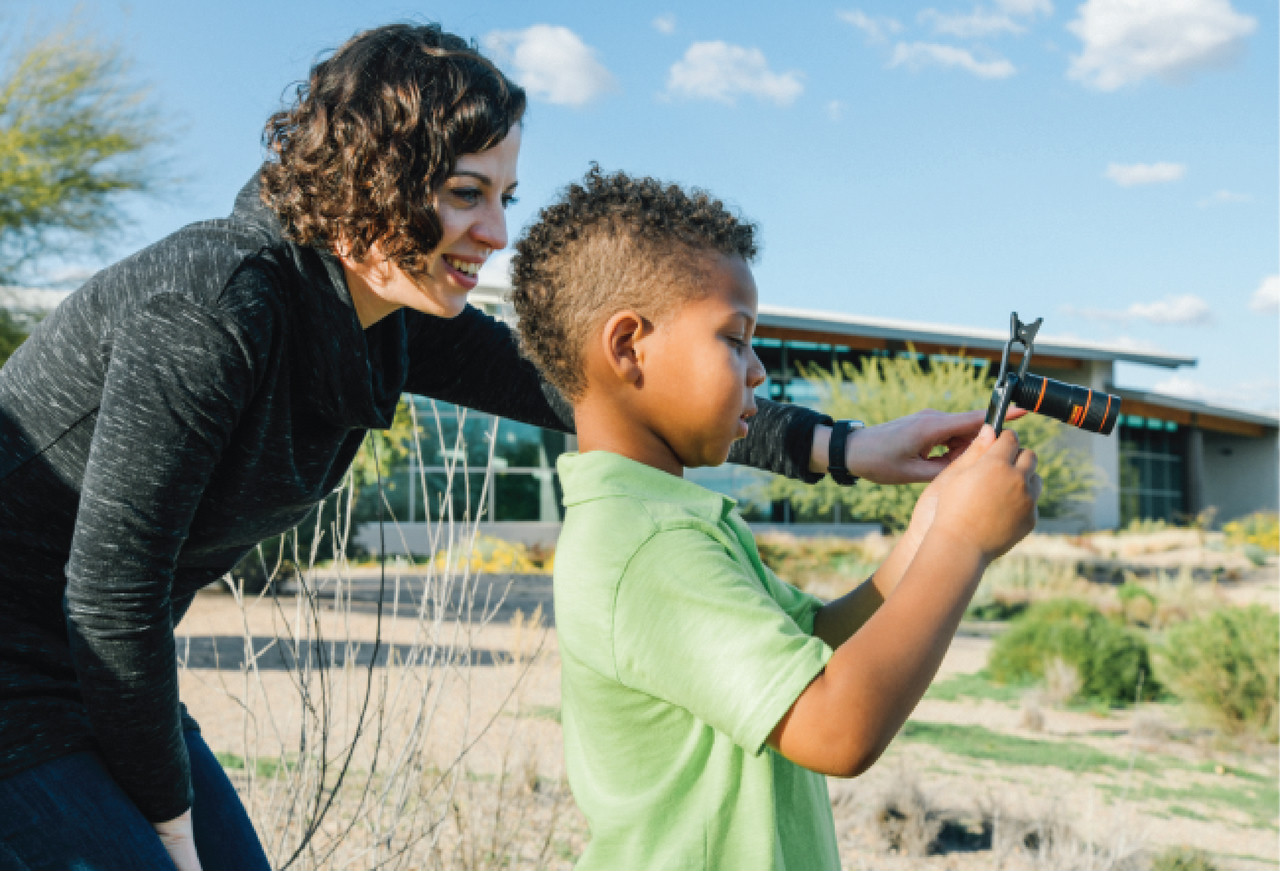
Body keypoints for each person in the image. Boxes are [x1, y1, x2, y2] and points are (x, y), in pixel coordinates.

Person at [0, 22, 996, 871]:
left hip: (98, 675)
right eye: (468, 193)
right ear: (372, 180)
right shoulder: (214, 304)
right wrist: (170, 835)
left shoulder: (380, 313)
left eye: (505, 197)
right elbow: (112, 594)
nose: (496, 231)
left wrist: (847, 445)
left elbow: (584, 384)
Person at [508, 167, 1042, 870]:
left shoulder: (666, 519)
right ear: (628, 346)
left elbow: (815, 639)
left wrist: (935, 517)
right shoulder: (645, 544)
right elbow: (836, 726)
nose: (758, 370)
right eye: (735, 339)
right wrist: (964, 542)